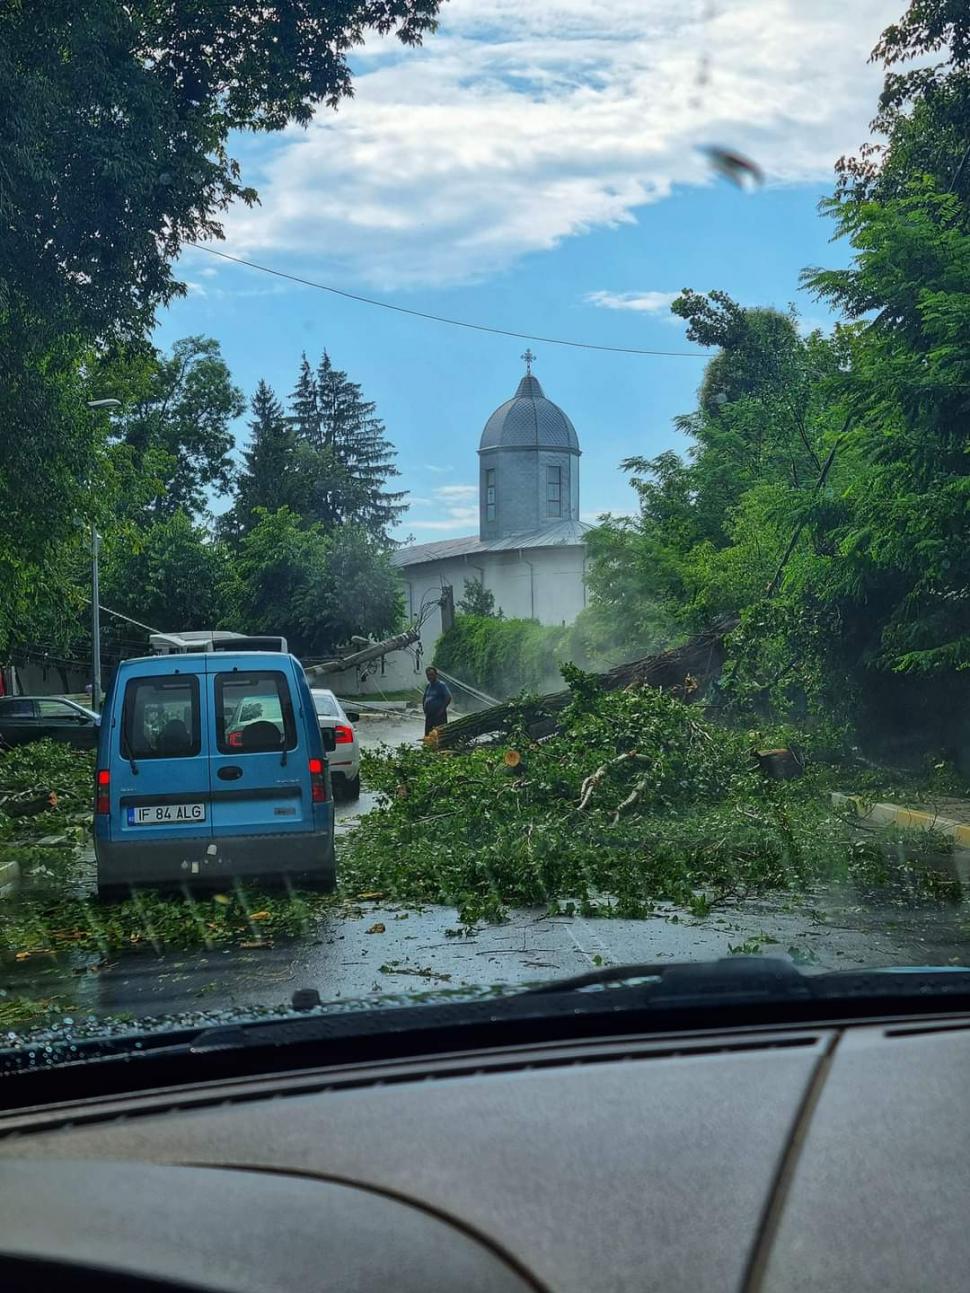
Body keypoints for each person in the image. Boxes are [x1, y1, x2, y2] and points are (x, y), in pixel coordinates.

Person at [422, 666, 452, 737]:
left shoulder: (441, 685)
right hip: (429, 716)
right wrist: (424, 708)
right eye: (428, 675)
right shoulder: (428, 686)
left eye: (432, 674)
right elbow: (424, 697)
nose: (430, 677)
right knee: (428, 735)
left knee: (440, 735)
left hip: (439, 716)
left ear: (436, 675)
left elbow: (448, 697)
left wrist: (442, 710)